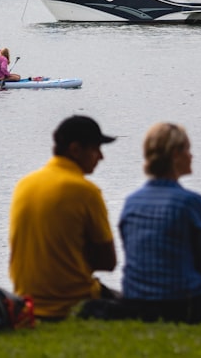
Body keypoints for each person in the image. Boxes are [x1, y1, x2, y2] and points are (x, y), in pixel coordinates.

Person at [114, 122, 201, 328]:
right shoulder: (191, 202)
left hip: (135, 302)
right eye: (187, 149)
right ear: (175, 155)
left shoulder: (131, 202)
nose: (191, 156)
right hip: (181, 302)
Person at [8, 115, 118, 320]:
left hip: (26, 302)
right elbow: (108, 262)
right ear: (75, 149)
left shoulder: (24, 184)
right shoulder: (86, 191)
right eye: (96, 148)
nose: (101, 157)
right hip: (71, 303)